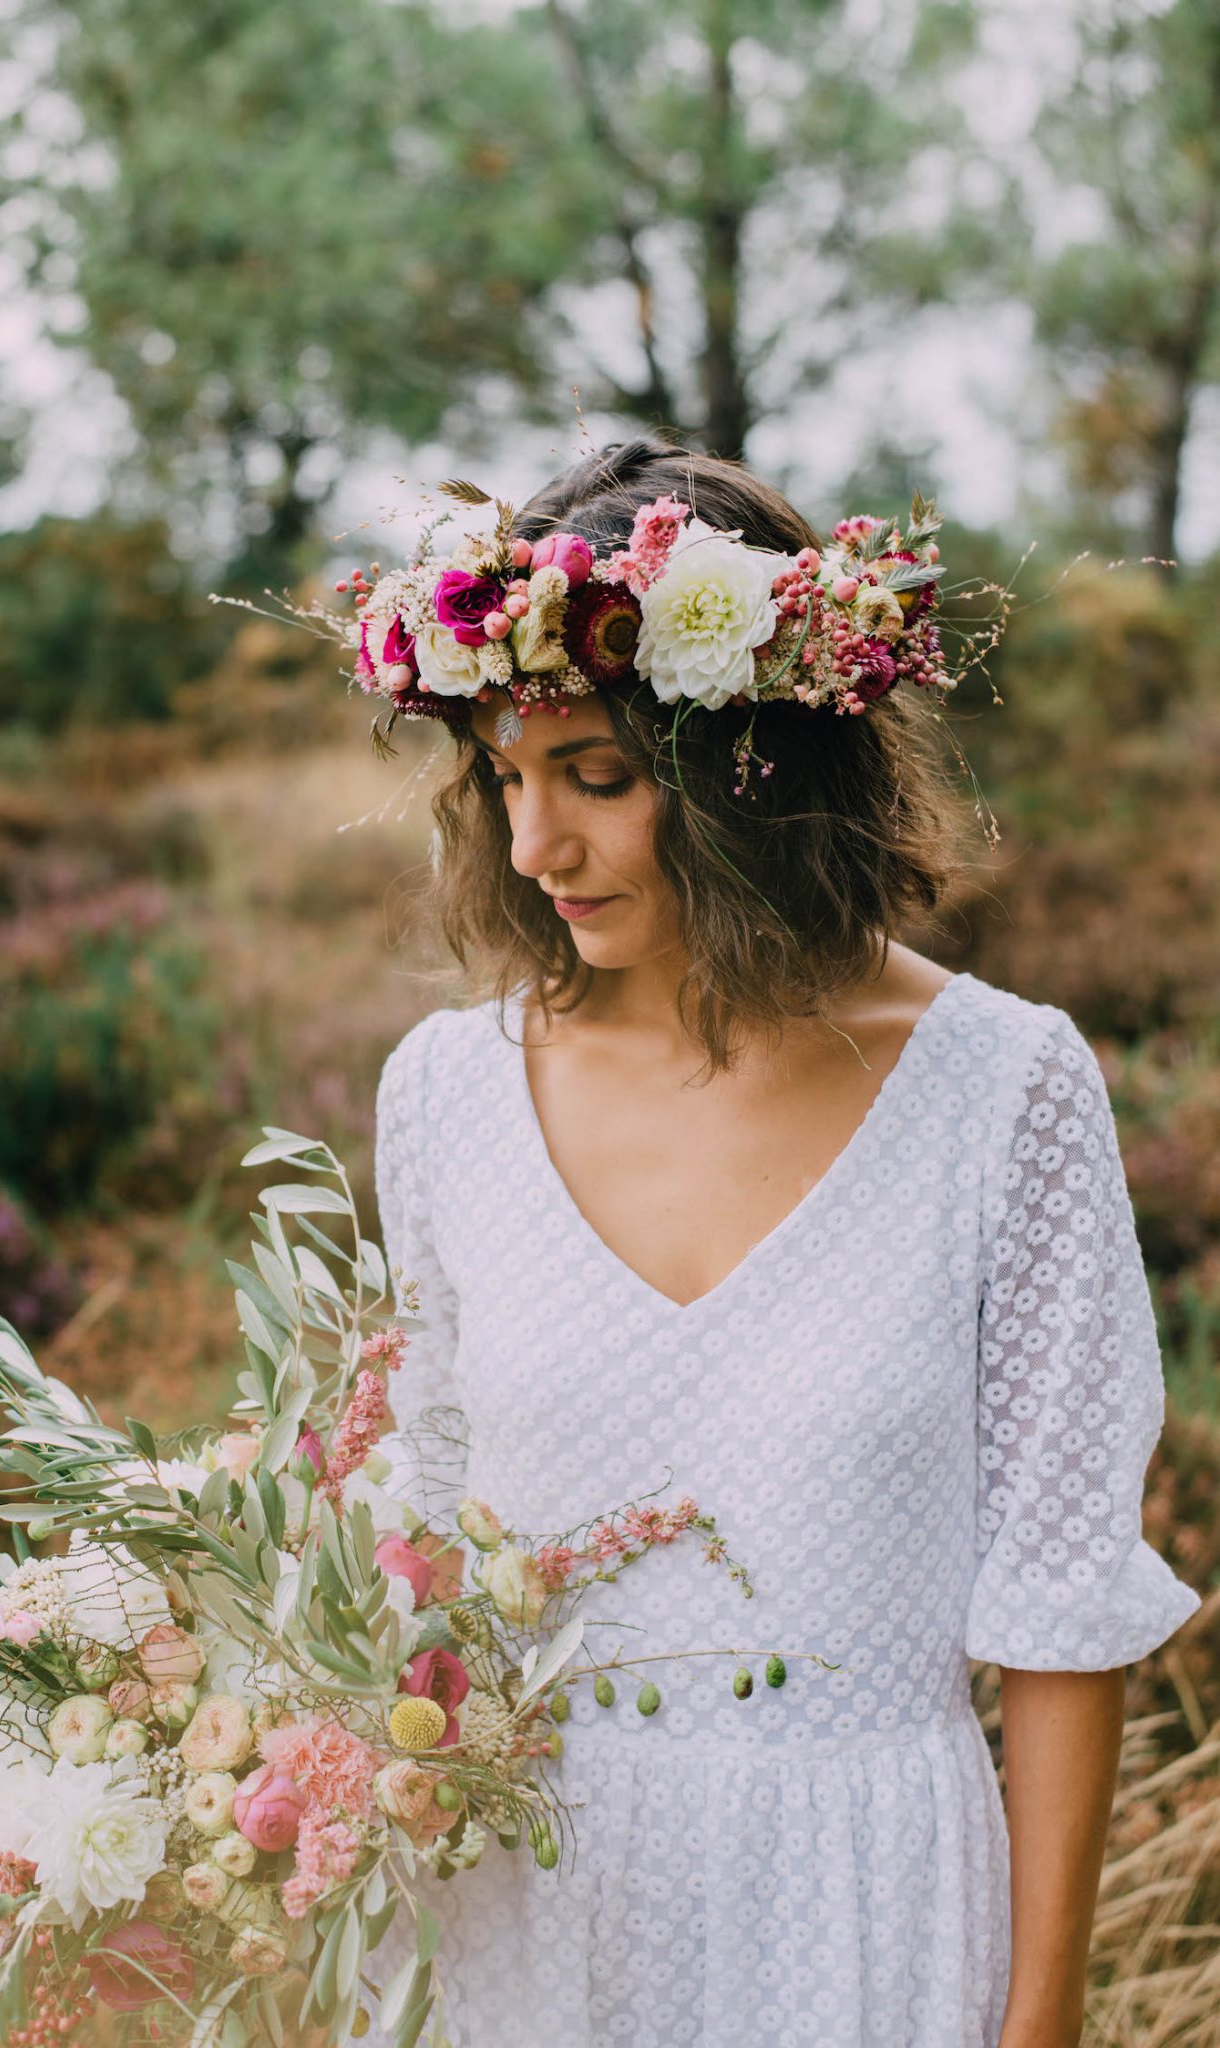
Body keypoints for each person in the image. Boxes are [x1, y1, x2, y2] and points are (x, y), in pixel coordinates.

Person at [368, 439, 1200, 2048]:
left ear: (750, 766)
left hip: (869, 1916)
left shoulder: (1004, 1091)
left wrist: (1041, 2019)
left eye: (595, 776)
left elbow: (1059, 1605)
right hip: (525, 1916)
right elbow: (419, 1529)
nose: (535, 847)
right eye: (504, 778)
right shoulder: (446, 1095)